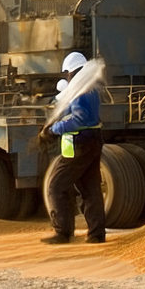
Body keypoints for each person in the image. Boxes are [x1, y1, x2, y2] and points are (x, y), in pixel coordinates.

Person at [38, 51, 106, 244]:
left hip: (80, 143)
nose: (67, 77)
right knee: (90, 189)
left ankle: (63, 232)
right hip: (92, 140)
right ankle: (96, 234)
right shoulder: (90, 86)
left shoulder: (81, 89)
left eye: (67, 73)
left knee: (56, 185)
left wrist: (54, 130)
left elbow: (79, 118)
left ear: (71, 72)